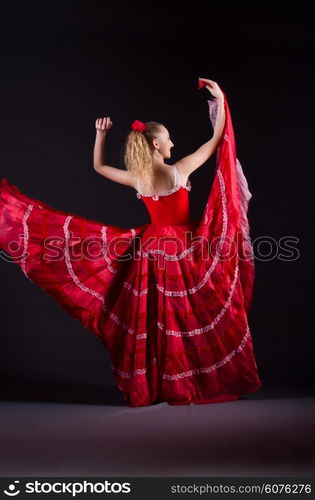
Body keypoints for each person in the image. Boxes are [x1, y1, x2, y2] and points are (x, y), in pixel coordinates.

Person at [0, 78, 262, 407]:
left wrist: (101, 133)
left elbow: (98, 166)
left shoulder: (139, 178)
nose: (172, 142)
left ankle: (161, 385)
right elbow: (215, 142)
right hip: (183, 248)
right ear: (155, 145)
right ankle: (189, 381)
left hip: (151, 251)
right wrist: (221, 102)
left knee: (159, 318)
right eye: (168, 138)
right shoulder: (179, 171)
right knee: (186, 314)